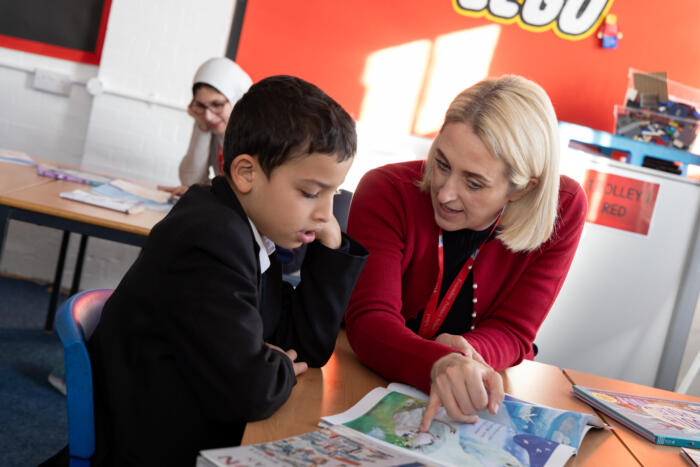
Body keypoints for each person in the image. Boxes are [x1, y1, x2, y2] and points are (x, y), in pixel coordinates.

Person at [43, 75, 368, 466]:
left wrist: (330, 249)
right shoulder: (211, 239)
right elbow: (251, 390)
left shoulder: (249, 230)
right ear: (246, 173)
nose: (326, 214)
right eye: (311, 193)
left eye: (334, 193)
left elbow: (304, 346)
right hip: (153, 448)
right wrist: (278, 363)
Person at [344, 75, 587, 432]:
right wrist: (442, 361)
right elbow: (369, 320)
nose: (444, 193)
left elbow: (514, 331)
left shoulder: (561, 209)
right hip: (368, 381)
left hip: (472, 401)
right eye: (441, 163)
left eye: (474, 183)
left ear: (522, 189)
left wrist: (462, 357)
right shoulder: (386, 191)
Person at [160, 57, 252, 197]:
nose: (208, 116)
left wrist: (203, 192)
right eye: (201, 105)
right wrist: (201, 127)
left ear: (237, 99)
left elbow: (245, 194)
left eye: (216, 104)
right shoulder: (213, 127)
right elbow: (191, 181)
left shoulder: (256, 137)